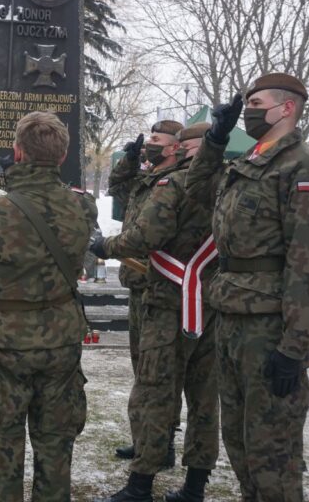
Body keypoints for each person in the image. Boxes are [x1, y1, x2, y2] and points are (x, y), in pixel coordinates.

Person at [185, 73, 309, 501]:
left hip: (269, 328)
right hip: (231, 317)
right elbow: (196, 191)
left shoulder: (303, 168)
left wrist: (294, 346)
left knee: (273, 457)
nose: (248, 110)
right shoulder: (249, 163)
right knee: (240, 445)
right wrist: (215, 138)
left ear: (287, 108)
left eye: (257, 102)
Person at [0, 112, 93, 501]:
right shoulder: (82, 208)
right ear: (61, 157)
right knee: (56, 449)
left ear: (18, 152)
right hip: (62, 345)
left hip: (5, 348)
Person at [91, 122, 219, 502]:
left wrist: (104, 247)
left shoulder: (174, 185)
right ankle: (195, 484)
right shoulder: (232, 183)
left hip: (168, 300)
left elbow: (145, 236)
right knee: (204, 399)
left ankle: (141, 483)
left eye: (179, 145)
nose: (174, 150)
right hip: (213, 297)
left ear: (188, 147)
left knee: (155, 391)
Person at [105, 121, 184, 464]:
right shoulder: (145, 180)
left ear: (173, 148)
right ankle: (146, 439)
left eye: (155, 140)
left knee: (160, 372)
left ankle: (162, 444)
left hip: (162, 284)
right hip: (138, 284)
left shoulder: (176, 183)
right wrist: (130, 157)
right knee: (142, 369)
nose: (149, 143)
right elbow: (117, 186)